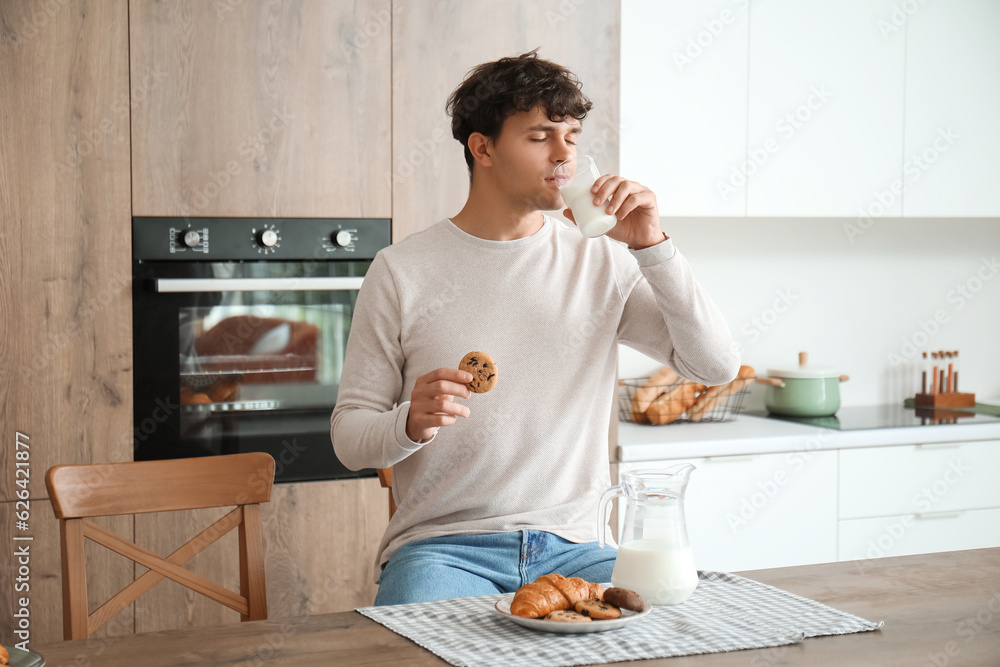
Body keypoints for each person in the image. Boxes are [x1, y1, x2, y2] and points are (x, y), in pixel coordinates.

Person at [331, 50, 739, 605]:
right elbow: (350, 439)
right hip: (446, 549)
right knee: (414, 653)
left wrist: (653, 247)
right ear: (483, 148)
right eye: (541, 135)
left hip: (578, 546)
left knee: (680, 629)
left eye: (572, 135)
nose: (565, 154)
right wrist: (410, 423)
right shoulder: (402, 271)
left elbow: (713, 366)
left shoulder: (602, 259)